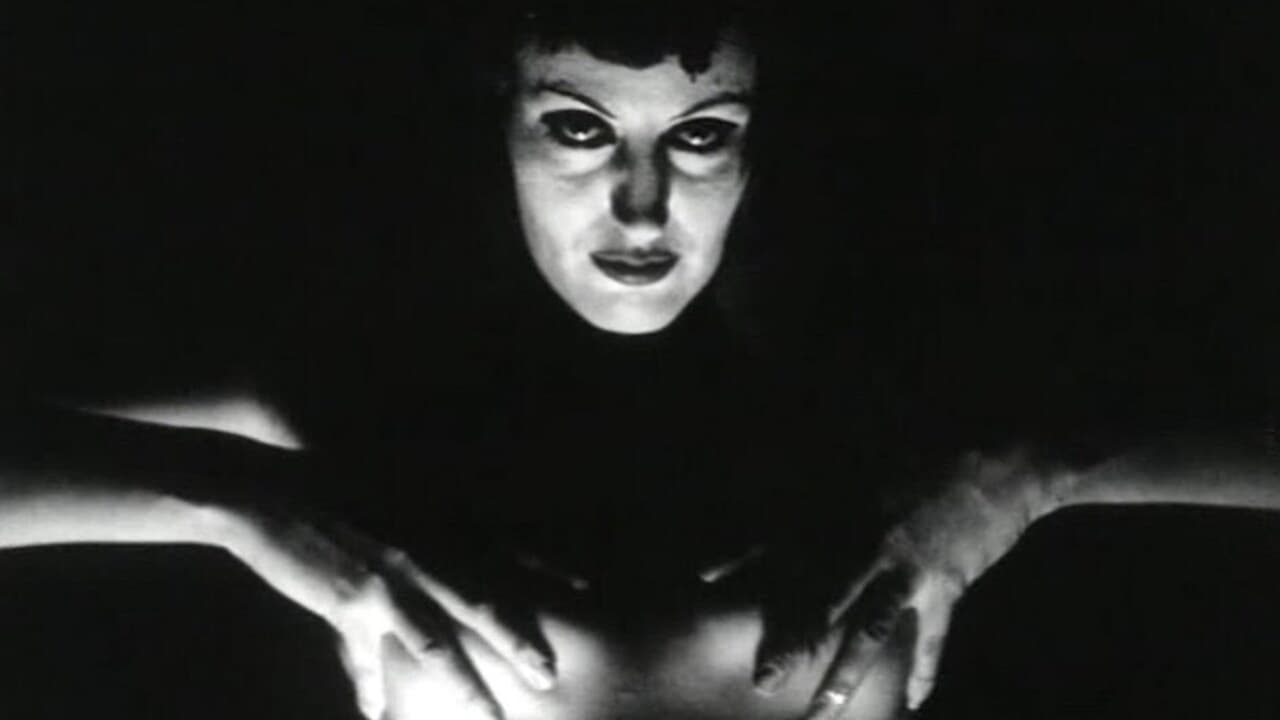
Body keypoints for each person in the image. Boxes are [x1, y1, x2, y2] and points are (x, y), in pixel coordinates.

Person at [5, 3, 1278, 720]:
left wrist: (1029, 473)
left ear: (760, 150)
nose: (640, 204)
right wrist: (235, 499)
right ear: (495, 126)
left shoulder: (893, 427)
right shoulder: (351, 406)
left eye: (700, 135)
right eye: (577, 127)